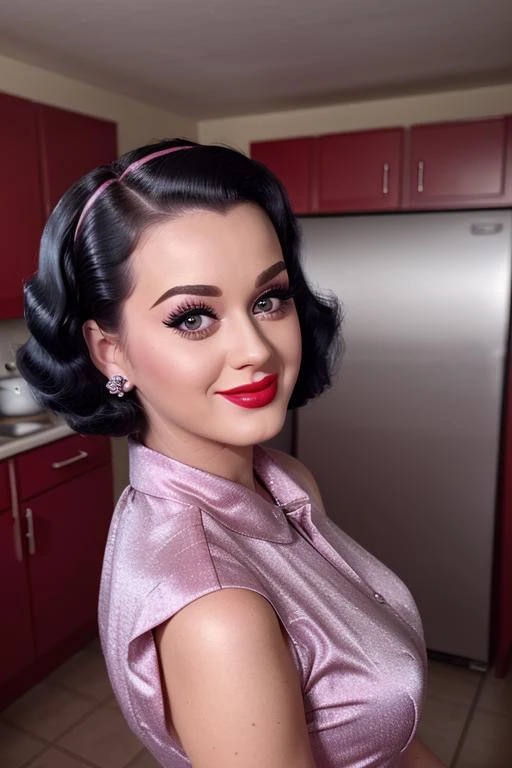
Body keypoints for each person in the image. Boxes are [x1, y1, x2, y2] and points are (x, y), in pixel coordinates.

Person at [17, 138, 445, 768]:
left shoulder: (284, 481)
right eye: (193, 317)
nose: (256, 349)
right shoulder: (218, 615)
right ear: (110, 350)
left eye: (269, 299)